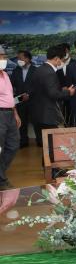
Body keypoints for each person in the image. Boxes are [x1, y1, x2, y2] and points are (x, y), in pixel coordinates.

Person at [29, 45, 75, 142]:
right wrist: (68, 92)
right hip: (47, 115)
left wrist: (60, 90)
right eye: (62, 60)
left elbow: (44, 90)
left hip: (38, 113)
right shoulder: (50, 73)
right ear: (56, 59)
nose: (62, 62)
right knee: (51, 145)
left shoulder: (39, 69)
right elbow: (53, 94)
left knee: (45, 145)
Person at [0, 47, 21, 189]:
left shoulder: (5, 75)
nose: (3, 60)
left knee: (13, 145)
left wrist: (15, 113)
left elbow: (9, 96)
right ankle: (1, 179)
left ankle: (0, 174)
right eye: (0, 57)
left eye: (4, 56)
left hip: (10, 114)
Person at [10, 49, 36, 148]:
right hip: (20, 100)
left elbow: (38, 85)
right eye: (18, 58)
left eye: (21, 58)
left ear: (27, 59)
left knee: (36, 121)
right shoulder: (16, 70)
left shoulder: (36, 70)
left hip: (33, 100)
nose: (19, 60)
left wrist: (29, 94)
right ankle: (23, 141)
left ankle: (40, 141)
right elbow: (11, 84)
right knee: (22, 121)